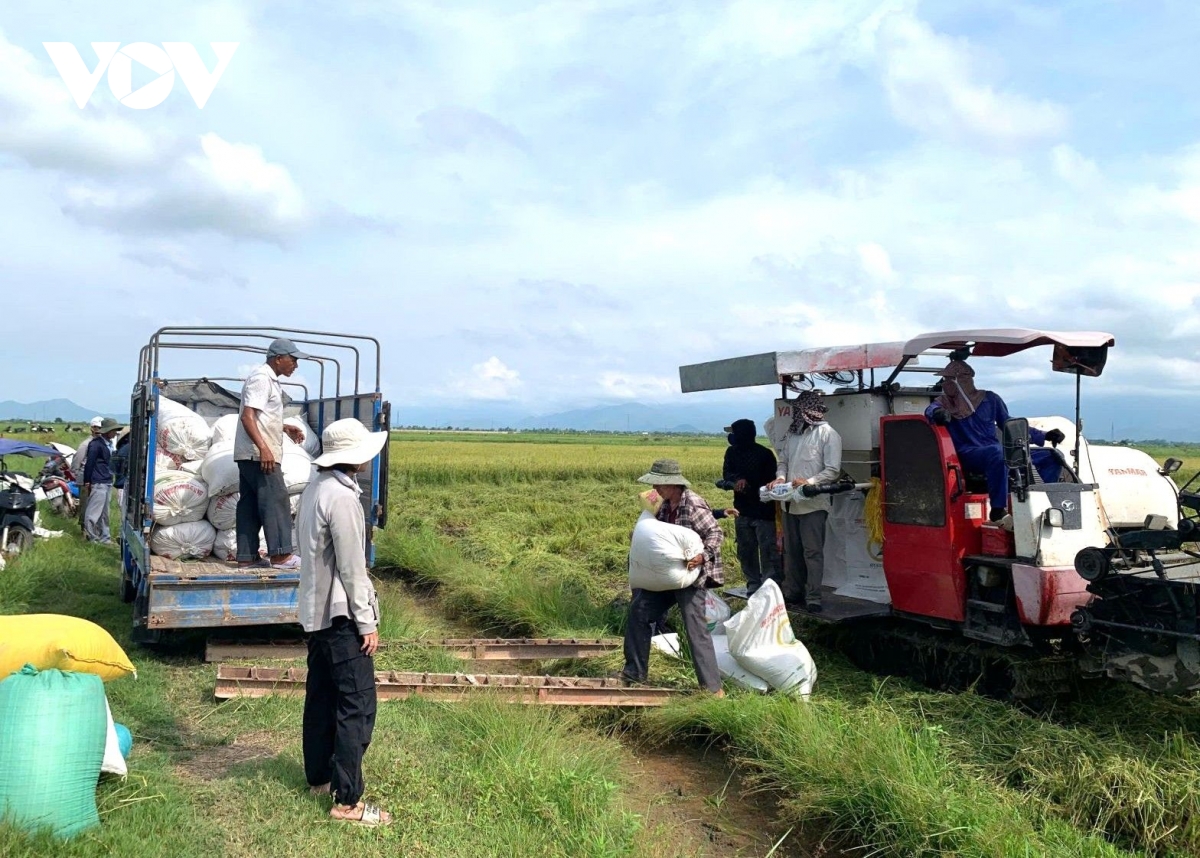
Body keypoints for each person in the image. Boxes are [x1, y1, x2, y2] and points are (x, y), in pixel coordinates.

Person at [297, 418, 391, 826]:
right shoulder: (342, 498)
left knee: (320, 696)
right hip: (340, 617)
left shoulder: (314, 488)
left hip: (315, 614)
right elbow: (353, 568)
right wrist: (366, 621)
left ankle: (318, 777)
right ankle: (347, 802)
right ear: (356, 458)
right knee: (357, 705)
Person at [620, 459, 724, 696]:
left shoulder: (694, 505)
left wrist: (703, 555)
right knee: (639, 612)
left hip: (690, 576)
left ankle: (712, 689)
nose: (655, 488)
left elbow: (716, 533)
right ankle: (634, 674)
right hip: (666, 575)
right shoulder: (665, 505)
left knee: (694, 627)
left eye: (660, 484)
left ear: (674, 484)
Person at [925, 360, 1066, 522]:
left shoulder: (990, 399)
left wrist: (1045, 435)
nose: (946, 383)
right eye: (945, 380)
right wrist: (937, 413)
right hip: (967, 454)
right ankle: (998, 510)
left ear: (965, 380)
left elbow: (1009, 424)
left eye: (950, 379)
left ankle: (1040, 505)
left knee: (1052, 456)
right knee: (997, 452)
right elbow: (930, 410)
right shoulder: (943, 403)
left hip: (994, 452)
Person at [234, 338, 308, 569]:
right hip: (259, 456)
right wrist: (264, 449)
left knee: (249, 503)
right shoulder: (262, 378)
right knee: (277, 500)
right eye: (292, 359)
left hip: (251, 455)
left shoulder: (269, 380)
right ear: (278, 358)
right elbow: (247, 416)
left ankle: (247, 556)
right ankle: (280, 556)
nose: (295, 365)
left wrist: (284, 426)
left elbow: (261, 416)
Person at [769, 391, 842, 613]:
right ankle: (793, 592)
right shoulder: (793, 434)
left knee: (812, 553)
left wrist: (808, 482)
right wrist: (780, 477)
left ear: (807, 411)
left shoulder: (828, 435)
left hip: (813, 504)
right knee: (792, 551)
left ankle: (813, 597)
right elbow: (783, 462)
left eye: (798, 410)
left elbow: (832, 470)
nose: (795, 414)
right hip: (790, 502)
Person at [722, 418, 780, 595]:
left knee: (768, 551)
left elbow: (771, 481)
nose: (731, 436)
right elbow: (726, 473)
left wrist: (749, 483)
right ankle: (753, 583)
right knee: (746, 550)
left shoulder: (765, 454)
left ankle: (770, 587)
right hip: (742, 510)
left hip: (764, 511)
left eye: (733, 433)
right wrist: (736, 480)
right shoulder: (731, 452)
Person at [82, 417, 123, 543]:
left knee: (104, 512)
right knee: (94, 512)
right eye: (114, 430)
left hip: (107, 480)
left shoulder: (108, 444)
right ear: (107, 431)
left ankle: (104, 537)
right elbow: (90, 463)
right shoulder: (96, 444)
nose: (115, 433)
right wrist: (87, 481)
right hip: (98, 481)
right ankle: (91, 536)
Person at [72, 416, 103, 527]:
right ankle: (83, 527)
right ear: (92, 428)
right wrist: (77, 475)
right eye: (96, 427)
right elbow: (77, 461)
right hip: (85, 478)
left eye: (100, 428)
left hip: (96, 478)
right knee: (85, 504)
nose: (98, 430)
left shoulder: (102, 443)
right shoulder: (86, 444)